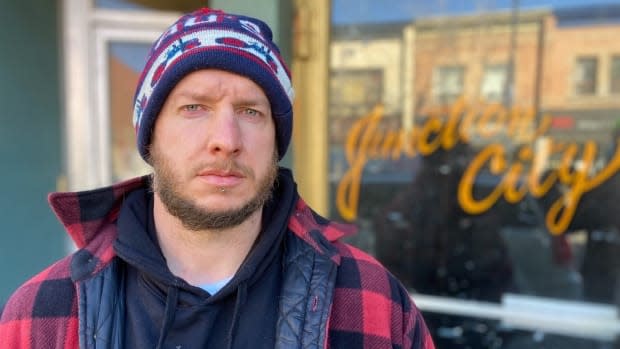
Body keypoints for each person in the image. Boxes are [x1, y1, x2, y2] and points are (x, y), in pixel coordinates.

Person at [0, 7, 434, 349]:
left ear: (276, 141)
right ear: (151, 137)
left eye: (251, 112)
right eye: (195, 107)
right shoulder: (43, 313)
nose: (226, 140)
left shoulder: (370, 301)